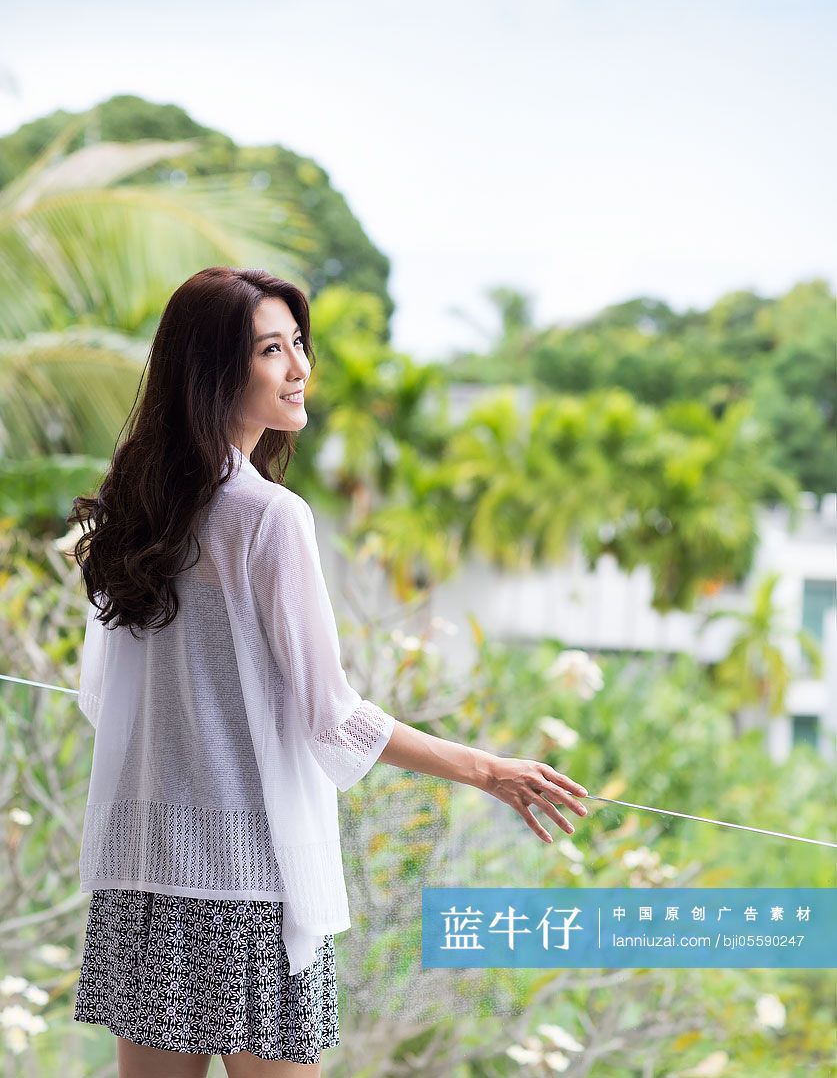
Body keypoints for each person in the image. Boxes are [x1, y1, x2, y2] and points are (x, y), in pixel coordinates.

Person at [69, 266, 589, 1077]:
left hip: (145, 872)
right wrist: (487, 768)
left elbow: (102, 694)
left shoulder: (135, 504)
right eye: (272, 349)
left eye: (297, 344)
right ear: (214, 371)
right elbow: (331, 716)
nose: (299, 366)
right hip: (248, 885)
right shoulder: (270, 518)